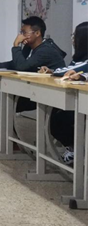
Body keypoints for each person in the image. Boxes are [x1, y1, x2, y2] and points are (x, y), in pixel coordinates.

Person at [0, 16, 66, 151]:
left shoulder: (45, 50)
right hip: (36, 91)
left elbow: (21, 67)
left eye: (24, 32)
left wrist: (15, 46)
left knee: (2, 101)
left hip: (50, 95)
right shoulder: (31, 48)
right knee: (1, 99)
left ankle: (7, 138)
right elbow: (16, 63)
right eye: (21, 32)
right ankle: (5, 137)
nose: (21, 36)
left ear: (37, 33)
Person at [42, 22, 88, 165]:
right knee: (56, 117)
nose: (72, 39)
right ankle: (73, 148)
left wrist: (56, 71)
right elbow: (69, 70)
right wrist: (53, 71)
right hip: (77, 99)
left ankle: (76, 150)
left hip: (83, 102)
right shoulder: (78, 58)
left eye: (75, 36)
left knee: (59, 119)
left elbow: (67, 71)